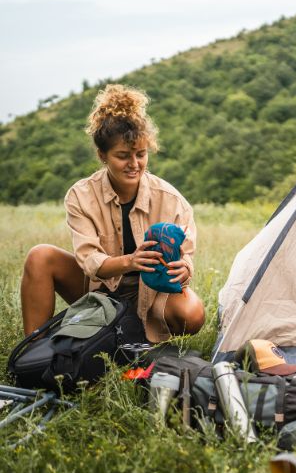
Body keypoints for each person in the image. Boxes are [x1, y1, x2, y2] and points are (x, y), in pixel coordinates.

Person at [21, 84, 205, 342]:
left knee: (192, 312)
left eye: (141, 154)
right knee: (40, 256)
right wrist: (131, 261)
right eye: (123, 156)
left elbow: (186, 256)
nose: (134, 164)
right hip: (99, 290)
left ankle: (140, 335)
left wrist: (184, 268)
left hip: (152, 295)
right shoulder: (81, 195)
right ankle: (33, 351)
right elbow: (89, 261)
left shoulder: (172, 200)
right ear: (102, 155)